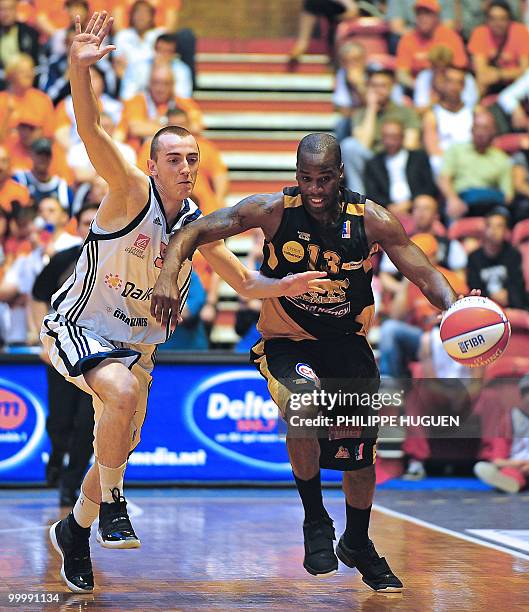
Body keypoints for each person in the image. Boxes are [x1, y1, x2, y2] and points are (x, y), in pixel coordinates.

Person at [45, 12, 328, 594]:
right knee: (119, 398)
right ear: (152, 166)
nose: (184, 167)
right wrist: (79, 67)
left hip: (134, 347)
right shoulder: (128, 190)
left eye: (191, 159)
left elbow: (245, 286)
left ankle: (76, 530)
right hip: (79, 324)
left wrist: (290, 285)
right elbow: (92, 129)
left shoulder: (197, 227)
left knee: (117, 437)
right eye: (173, 159)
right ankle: (118, 502)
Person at [151, 132, 471, 592]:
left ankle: (357, 541)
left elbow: (421, 272)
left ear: (339, 175)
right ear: (296, 176)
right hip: (288, 339)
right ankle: (316, 520)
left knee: (358, 458)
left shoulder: (372, 219)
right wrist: (166, 275)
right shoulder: (274, 210)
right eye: (306, 179)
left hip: (347, 344)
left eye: (324, 179)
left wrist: (456, 307)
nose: (315, 190)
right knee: (304, 404)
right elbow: (196, 229)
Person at [32, 203, 99, 506]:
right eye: (86, 222)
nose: (91, 227)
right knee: (60, 421)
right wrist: (39, 341)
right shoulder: (63, 260)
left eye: (96, 222)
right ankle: (58, 453)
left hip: (95, 357)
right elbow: (37, 297)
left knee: (87, 423)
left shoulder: (117, 264)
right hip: (60, 351)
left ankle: (70, 484)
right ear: (76, 226)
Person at [339, 67, 421, 192]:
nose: (378, 90)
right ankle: (359, 201)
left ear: (392, 87)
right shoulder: (361, 113)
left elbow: (411, 144)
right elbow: (362, 144)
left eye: (382, 86)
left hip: (396, 159)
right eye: (373, 86)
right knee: (349, 146)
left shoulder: (406, 112)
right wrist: (371, 109)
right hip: (371, 160)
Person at [438, 110, 513, 221]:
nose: (480, 132)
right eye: (477, 127)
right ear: (471, 130)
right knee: (453, 209)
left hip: (490, 205)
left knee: (499, 220)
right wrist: (452, 199)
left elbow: (508, 195)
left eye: (485, 128)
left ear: (494, 131)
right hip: (461, 201)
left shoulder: (502, 158)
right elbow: (444, 179)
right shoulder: (456, 150)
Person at [363, 119, 437, 216]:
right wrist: (389, 206)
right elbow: (372, 193)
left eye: (394, 137)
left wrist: (410, 203)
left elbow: (428, 186)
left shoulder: (419, 157)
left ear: (402, 137)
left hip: (416, 208)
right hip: (385, 212)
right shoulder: (373, 163)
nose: (390, 141)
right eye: (387, 137)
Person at [395, 0, 467, 92]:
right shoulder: (408, 39)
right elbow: (402, 73)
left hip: (449, 85)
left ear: (436, 16)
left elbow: (460, 69)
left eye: (427, 14)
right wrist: (419, 86)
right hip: (418, 87)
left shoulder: (450, 37)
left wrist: (443, 86)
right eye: (419, 14)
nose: (423, 18)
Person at [467, 207, 527, 309]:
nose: (494, 231)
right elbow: (473, 286)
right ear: (484, 229)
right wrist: (491, 297)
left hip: (512, 303)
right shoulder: (474, 258)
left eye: (499, 226)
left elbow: (517, 284)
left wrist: (508, 296)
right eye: (490, 226)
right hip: (484, 306)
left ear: (506, 231)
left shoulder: (513, 254)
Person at [467, 0, 529, 96]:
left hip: (514, 84)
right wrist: (512, 72)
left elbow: (525, 71)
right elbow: (482, 73)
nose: (497, 23)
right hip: (490, 84)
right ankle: (474, 108)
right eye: (493, 19)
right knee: (479, 83)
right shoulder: (479, 33)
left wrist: (500, 74)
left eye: (502, 19)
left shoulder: (521, 32)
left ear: (509, 20)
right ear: (487, 20)